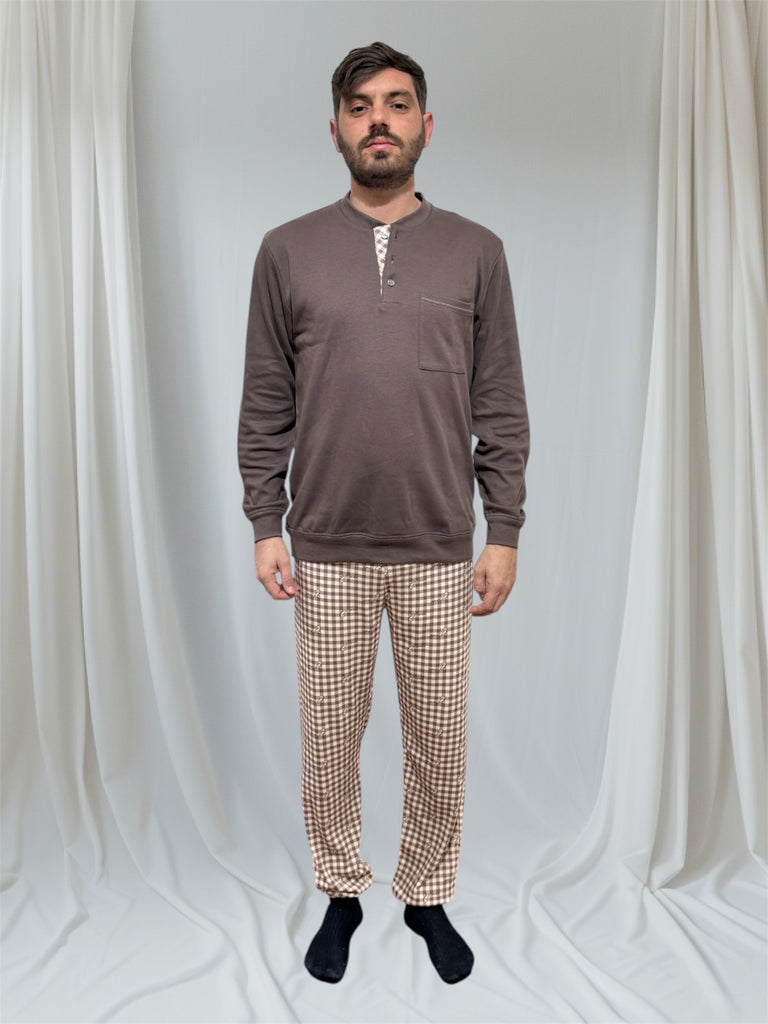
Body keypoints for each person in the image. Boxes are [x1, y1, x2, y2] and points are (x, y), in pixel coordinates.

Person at [238, 41, 529, 985]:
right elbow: (265, 399)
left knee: (439, 737)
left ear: (425, 126)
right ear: (334, 128)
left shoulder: (478, 251)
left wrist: (505, 530)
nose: (379, 120)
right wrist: (265, 521)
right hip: (324, 545)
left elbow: (500, 403)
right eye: (360, 106)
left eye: (397, 104)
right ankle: (341, 891)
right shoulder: (286, 250)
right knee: (330, 738)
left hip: (440, 544)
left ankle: (427, 893)